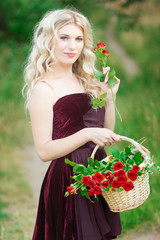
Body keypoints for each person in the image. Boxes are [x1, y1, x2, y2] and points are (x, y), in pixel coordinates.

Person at [23, 8, 122, 240]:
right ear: (48, 41)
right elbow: (44, 151)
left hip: (97, 173)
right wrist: (87, 134)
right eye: (64, 37)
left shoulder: (87, 81)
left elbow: (107, 132)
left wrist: (109, 97)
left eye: (78, 39)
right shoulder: (44, 89)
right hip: (69, 178)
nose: (72, 46)